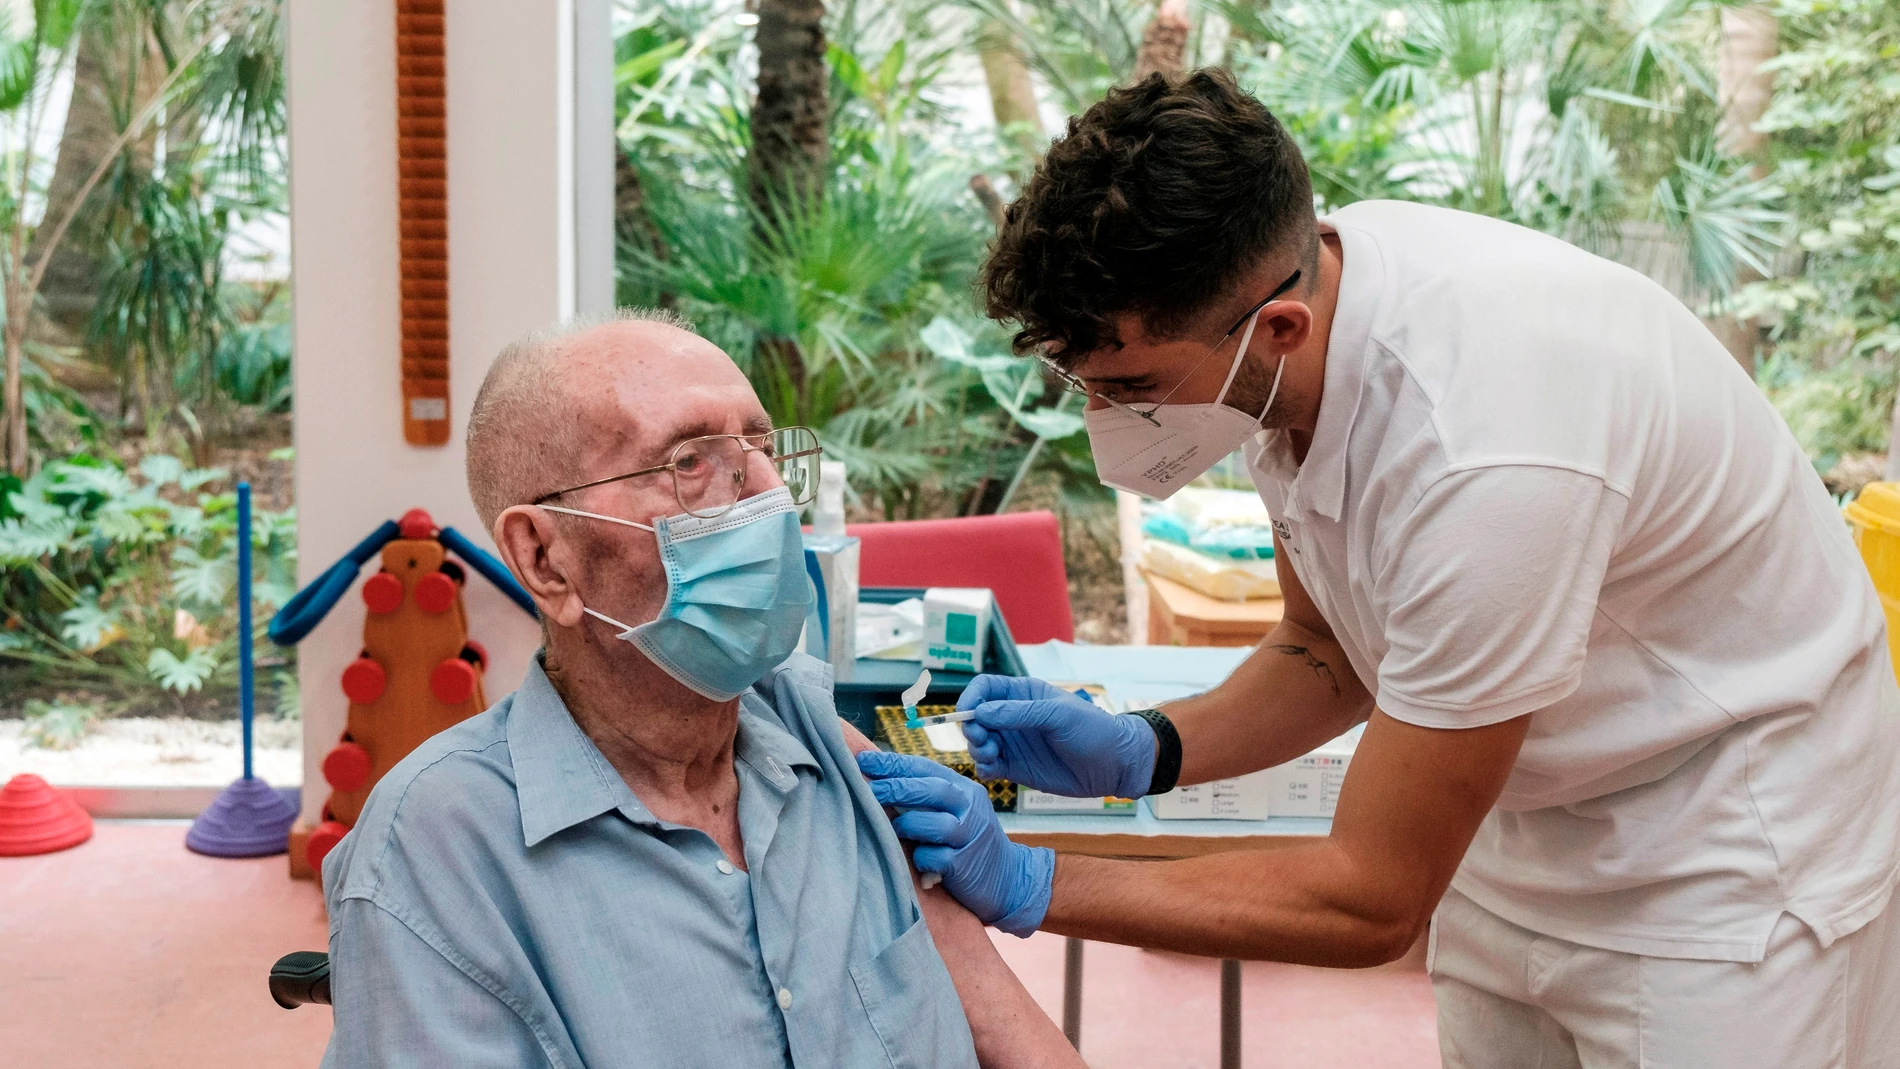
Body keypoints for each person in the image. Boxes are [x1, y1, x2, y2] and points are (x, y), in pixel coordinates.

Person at [857, 70, 1900, 1067]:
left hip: (1724, 848)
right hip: (1527, 813)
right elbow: (1327, 649)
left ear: (1277, 327)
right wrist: (1145, 750)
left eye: (1130, 384)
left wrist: (1031, 878)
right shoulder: (1285, 346)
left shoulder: (1488, 450)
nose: (1104, 419)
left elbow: (1370, 896)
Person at [319, 310, 1082, 1069]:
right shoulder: (439, 855)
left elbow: (1001, 1023)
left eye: (760, 445)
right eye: (689, 461)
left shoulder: (819, 744)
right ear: (546, 559)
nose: (768, 495)